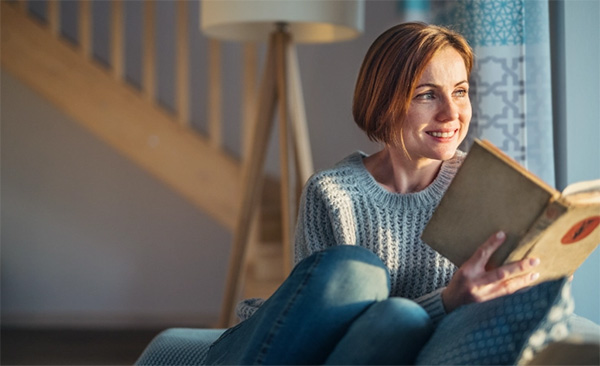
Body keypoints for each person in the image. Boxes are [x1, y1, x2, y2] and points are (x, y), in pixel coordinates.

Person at [205, 22, 541, 365]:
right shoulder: (333, 193)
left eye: (459, 91)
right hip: (283, 350)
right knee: (358, 272)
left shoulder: (489, 187)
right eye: (427, 94)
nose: (452, 114)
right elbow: (313, 328)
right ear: (383, 103)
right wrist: (445, 302)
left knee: (400, 318)